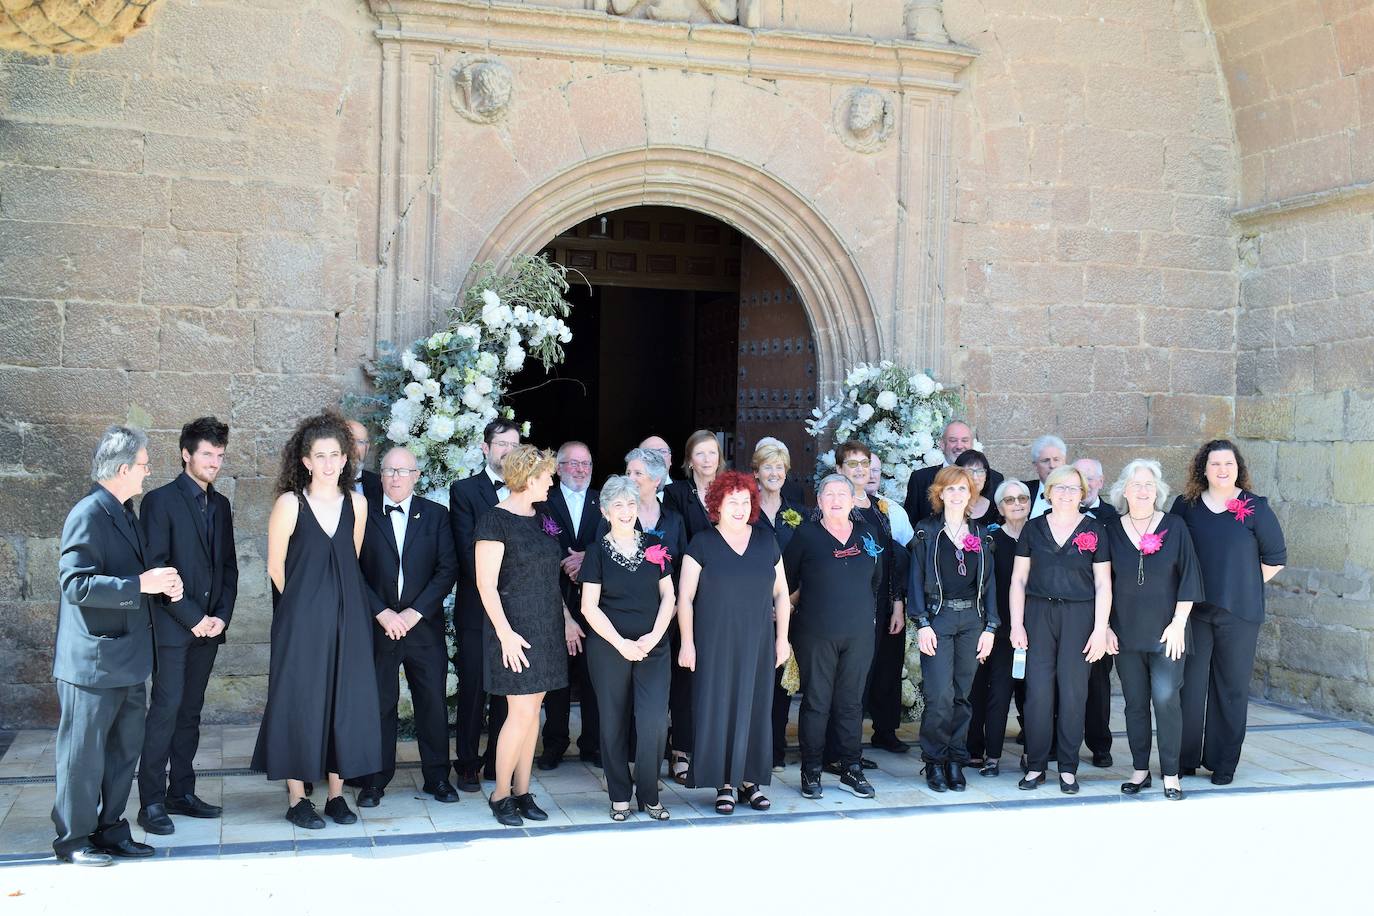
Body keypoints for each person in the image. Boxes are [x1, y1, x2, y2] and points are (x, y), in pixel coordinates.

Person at [52, 426, 180, 866]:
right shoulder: (88, 512)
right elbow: (75, 584)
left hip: (126, 659)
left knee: (124, 753)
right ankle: (73, 841)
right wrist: (138, 584)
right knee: (83, 757)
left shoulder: (125, 512)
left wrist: (160, 583)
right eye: (144, 465)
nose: (147, 473)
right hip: (93, 663)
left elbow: (134, 577)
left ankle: (111, 830)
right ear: (123, 468)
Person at [253, 412, 381, 829]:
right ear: (305, 460)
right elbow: (276, 566)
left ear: (346, 459)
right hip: (301, 621)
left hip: (350, 619)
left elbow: (352, 558)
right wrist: (304, 606)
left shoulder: (358, 504)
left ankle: (338, 795)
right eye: (319, 456)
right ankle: (297, 798)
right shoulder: (290, 503)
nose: (328, 463)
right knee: (300, 702)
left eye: (335, 455)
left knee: (344, 703)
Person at [136, 417, 237, 837]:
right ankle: (151, 802)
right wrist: (194, 619)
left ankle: (182, 791)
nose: (214, 462)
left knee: (191, 713)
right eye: (207, 454)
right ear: (186, 454)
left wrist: (220, 618)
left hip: (209, 629)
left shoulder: (222, 504)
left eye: (219, 455)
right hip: (174, 627)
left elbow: (229, 568)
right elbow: (156, 568)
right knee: (165, 711)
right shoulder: (159, 501)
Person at [1171, 439, 1286, 785]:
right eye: (1216, 464)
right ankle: (1185, 757)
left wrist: (1245, 584)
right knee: (1188, 686)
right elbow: (1172, 554)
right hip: (1194, 612)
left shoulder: (1256, 508)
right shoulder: (1185, 506)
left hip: (1240, 613)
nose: (1223, 470)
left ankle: (1223, 763)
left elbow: (1275, 558)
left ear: (1239, 469)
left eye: (1229, 464)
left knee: (1231, 688)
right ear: (1202, 469)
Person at [678, 470, 791, 814]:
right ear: (718, 504)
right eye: (732, 501)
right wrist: (687, 643)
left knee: (756, 709)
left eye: (745, 502)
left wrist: (782, 639)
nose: (740, 508)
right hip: (713, 643)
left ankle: (749, 781)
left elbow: (782, 593)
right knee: (719, 709)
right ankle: (724, 784)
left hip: (757, 642)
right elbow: (684, 598)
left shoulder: (765, 542)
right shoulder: (701, 543)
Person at [356, 446, 459, 807]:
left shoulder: (436, 515)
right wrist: (382, 612)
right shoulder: (363, 514)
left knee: (431, 702)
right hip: (379, 626)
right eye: (389, 471)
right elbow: (352, 570)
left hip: (423, 628)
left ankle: (437, 778)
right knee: (379, 704)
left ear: (417, 476)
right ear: (380, 475)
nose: (396, 477)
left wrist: (414, 613)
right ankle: (374, 780)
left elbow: (447, 570)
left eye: (404, 471)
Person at [474, 445, 569, 827]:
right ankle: (500, 794)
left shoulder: (542, 514)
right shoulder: (494, 520)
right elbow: (485, 585)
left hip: (546, 625)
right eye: (547, 476)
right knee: (520, 712)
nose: (551, 481)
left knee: (534, 713)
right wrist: (506, 635)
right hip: (513, 628)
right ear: (529, 479)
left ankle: (523, 790)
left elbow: (551, 576)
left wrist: (567, 618)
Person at [1009, 465, 1112, 794]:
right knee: (1038, 694)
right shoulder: (1033, 528)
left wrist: (1100, 629)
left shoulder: (1095, 530)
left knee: (1073, 694)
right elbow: (1018, 580)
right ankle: (1036, 765)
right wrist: (1016, 624)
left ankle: (1068, 768)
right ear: (1048, 492)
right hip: (1038, 615)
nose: (1066, 493)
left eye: (1073, 488)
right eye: (1060, 487)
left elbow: (1103, 584)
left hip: (1080, 617)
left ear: (1082, 494)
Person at [580, 476, 677, 821]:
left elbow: (669, 596)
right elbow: (589, 607)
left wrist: (653, 636)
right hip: (609, 648)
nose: (626, 511)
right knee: (613, 721)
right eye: (618, 505)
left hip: (654, 646)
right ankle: (619, 795)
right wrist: (620, 643)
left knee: (652, 721)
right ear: (606, 511)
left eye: (631, 504)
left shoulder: (654, 544)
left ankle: (649, 795)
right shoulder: (596, 553)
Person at [1106, 459, 1204, 801]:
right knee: (1134, 704)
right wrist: (1105, 626)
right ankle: (1140, 769)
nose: (1143, 490)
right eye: (1136, 484)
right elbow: (1102, 584)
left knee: (1165, 699)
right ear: (1124, 491)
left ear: (1158, 491)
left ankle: (1172, 773)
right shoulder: (1111, 530)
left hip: (1167, 633)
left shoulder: (1174, 527)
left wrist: (1179, 624)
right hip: (1125, 632)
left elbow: (1190, 577)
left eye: (1149, 484)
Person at [783, 474, 881, 800]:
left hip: (858, 634)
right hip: (815, 633)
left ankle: (851, 768)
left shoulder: (868, 533)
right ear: (820, 501)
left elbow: (876, 580)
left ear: (853, 501)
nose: (837, 499)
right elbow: (787, 580)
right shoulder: (805, 535)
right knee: (817, 703)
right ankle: (811, 770)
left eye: (843, 493)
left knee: (851, 704)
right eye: (829, 494)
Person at [908, 466, 998, 792]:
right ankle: (934, 762)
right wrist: (922, 623)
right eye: (951, 489)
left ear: (970, 494)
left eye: (963, 489)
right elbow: (915, 580)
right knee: (939, 696)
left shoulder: (981, 534)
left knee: (962, 695)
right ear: (940, 494)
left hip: (972, 621)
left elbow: (989, 584)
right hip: (939, 619)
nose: (957, 495)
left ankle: (955, 761)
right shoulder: (926, 532)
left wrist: (990, 627)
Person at [449, 419, 521, 791]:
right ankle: (466, 763)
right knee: (474, 686)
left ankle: (498, 761)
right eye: (501, 443)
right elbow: (466, 551)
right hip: (477, 606)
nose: (508, 450)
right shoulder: (464, 491)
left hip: (518, 607)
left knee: (510, 687)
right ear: (485, 447)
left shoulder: (528, 491)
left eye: (514, 444)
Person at [622, 446, 692, 783]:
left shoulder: (675, 520)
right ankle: (634, 758)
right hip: (628, 617)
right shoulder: (618, 515)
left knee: (674, 687)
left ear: (656, 479)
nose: (630, 479)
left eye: (637, 473)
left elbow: (683, 569)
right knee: (632, 691)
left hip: (671, 615)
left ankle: (678, 752)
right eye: (629, 472)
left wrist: (676, 609)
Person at [837, 441, 907, 757]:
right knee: (853, 675)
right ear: (839, 470)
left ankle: (884, 731)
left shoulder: (881, 508)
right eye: (853, 464)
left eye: (865, 464)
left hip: (883, 601)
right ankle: (843, 747)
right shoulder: (834, 506)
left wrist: (897, 603)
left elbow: (892, 557)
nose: (860, 470)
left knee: (886, 667)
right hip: (850, 604)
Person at [536, 441, 601, 771]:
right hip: (554, 597)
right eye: (573, 463)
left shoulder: (602, 500)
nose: (580, 469)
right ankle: (555, 743)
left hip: (597, 602)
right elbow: (543, 542)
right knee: (557, 677)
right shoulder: (544, 501)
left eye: (586, 463)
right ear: (558, 467)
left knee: (594, 675)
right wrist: (567, 562)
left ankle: (592, 743)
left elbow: (610, 539)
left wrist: (587, 560)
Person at [967, 478, 1031, 776]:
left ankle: (1033, 752)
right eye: (1010, 500)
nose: (1017, 503)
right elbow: (984, 587)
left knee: (1035, 694)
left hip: (1039, 628)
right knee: (999, 692)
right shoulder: (991, 543)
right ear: (999, 507)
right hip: (1002, 629)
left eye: (1023, 498)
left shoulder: (1041, 536)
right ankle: (992, 755)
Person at [754, 439, 806, 771]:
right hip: (753, 610)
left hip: (791, 608)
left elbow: (809, 563)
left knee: (783, 681)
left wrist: (788, 602)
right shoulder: (744, 508)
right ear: (756, 471)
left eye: (780, 467)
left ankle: (775, 749)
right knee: (756, 683)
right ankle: (753, 749)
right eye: (768, 466)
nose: (774, 473)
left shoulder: (798, 512)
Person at [1074, 456, 1114, 767]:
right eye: (1079, 478)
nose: (1086, 485)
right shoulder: (1057, 516)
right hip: (1064, 612)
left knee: (1098, 684)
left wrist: (1108, 624)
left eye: (1091, 478)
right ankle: (1061, 744)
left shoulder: (1113, 518)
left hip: (1100, 615)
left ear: (1101, 482)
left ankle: (1100, 744)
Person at [902, 420, 1004, 522]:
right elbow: (909, 526)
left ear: (972, 444)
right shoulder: (920, 479)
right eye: (953, 440)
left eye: (964, 440)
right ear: (942, 444)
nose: (959, 446)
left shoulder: (996, 479)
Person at [663, 429, 721, 542]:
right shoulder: (674, 494)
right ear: (690, 461)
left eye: (712, 453)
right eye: (700, 454)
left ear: (719, 459)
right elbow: (674, 538)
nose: (707, 459)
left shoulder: (731, 491)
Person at [868, 455, 913, 547]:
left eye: (875, 470)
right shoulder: (841, 507)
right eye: (866, 471)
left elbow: (908, 549)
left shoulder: (895, 509)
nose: (871, 476)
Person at [1024, 434, 1067, 519]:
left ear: (1064, 462)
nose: (1052, 465)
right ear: (1035, 466)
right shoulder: (1024, 492)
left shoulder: (1077, 492)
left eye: (1056, 459)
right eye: (1045, 461)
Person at [954, 449, 1000, 528]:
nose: (975, 478)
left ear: (986, 476)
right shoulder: (949, 506)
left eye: (980, 471)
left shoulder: (996, 507)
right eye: (969, 472)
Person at [346, 419, 381, 505]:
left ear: (367, 447)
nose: (352, 448)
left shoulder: (380, 484)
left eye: (359, 442)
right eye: (348, 441)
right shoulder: (324, 483)